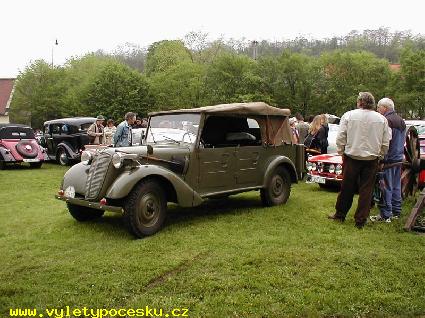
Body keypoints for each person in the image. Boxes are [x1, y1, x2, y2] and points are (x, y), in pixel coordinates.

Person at [328, 92, 391, 228]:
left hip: (352, 158)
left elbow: (341, 137)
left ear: (360, 102)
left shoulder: (349, 115)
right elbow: (386, 142)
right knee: (366, 190)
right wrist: (380, 155)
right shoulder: (381, 119)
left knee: (346, 187)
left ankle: (340, 215)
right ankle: (360, 220)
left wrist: (341, 151)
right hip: (371, 159)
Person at [370, 98, 406, 223]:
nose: (378, 110)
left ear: (385, 108)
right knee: (396, 186)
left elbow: (386, 141)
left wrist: (381, 159)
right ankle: (396, 211)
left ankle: (386, 214)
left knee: (385, 187)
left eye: (379, 108)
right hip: (398, 158)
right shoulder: (401, 120)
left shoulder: (387, 121)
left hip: (389, 160)